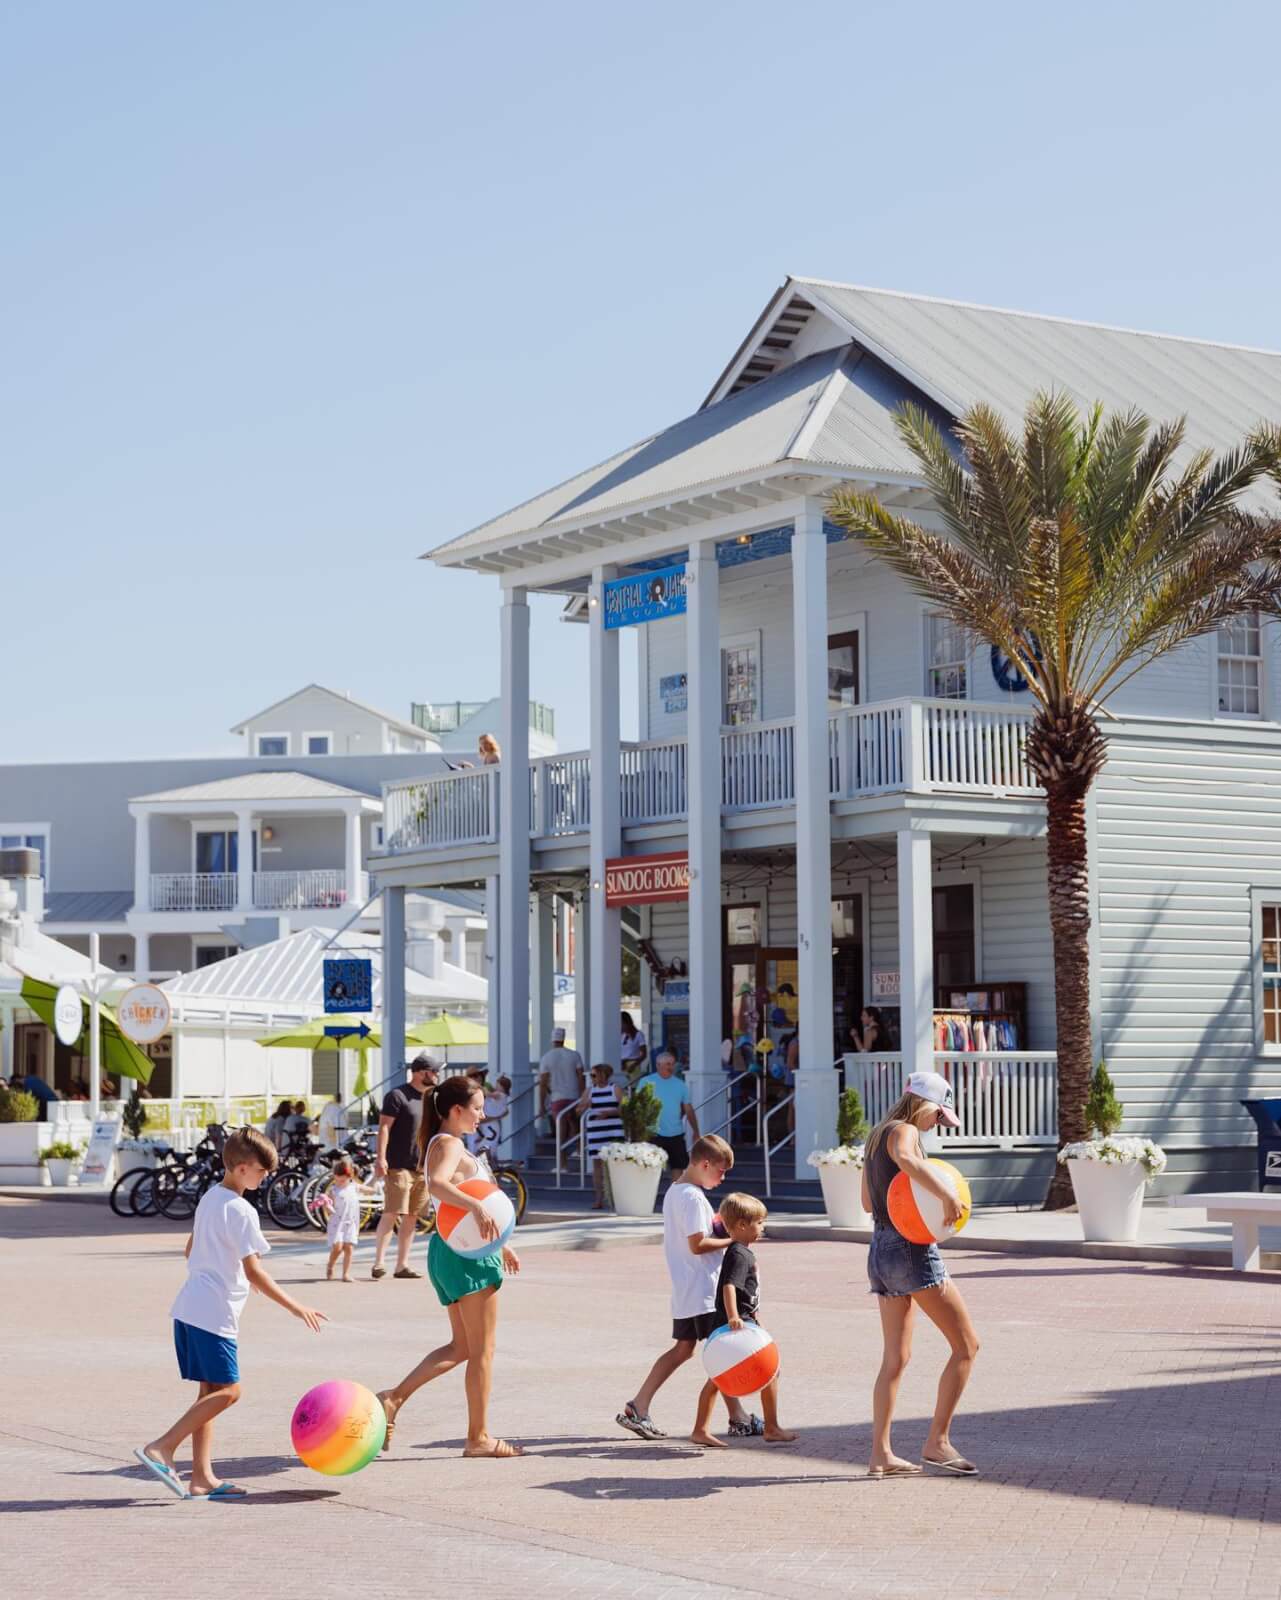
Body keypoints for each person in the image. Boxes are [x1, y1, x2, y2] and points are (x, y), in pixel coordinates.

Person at [135, 1126, 326, 1499]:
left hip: (189, 1307)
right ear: (241, 1168)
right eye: (261, 1170)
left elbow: (192, 1250)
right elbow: (255, 1270)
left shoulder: (210, 1198)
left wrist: (228, 1268)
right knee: (230, 1392)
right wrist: (296, 1306)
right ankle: (162, 1447)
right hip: (213, 1314)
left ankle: (202, 1477)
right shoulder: (241, 1210)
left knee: (209, 1393)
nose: (265, 1177)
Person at [376, 1074, 522, 1459]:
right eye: (477, 1108)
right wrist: (476, 1208)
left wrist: (499, 1242)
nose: (482, 1114)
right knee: (483, 1351)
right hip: (465, 1256)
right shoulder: (450, 1144)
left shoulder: (442, 1142)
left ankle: (393, 1398)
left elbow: (456, 1199)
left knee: (462, 1347)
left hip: (453, 1248)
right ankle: (478, 1438)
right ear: (456, 1110)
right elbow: (439, 1187)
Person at [862, 1070, 980, 1479]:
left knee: (895, 1358)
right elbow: (909, 1159)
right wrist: (946, 1194)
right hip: (909, 1247)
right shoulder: (905, 1130)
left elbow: (865, 1202)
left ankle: (881, 1454)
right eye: (937, 1116)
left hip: (879, 1248)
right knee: (967, 1346)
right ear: (926, 1106)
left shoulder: (875, 1135)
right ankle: (938, 1442)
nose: (935, 1126)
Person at [616, 1134, 759, 1441]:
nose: (722, 1178)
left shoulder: (676, 1191)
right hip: (703, 1288)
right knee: (720, 1351)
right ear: (705, 1164)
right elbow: (698, 1244)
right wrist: (734, 1240)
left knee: (685, 1349)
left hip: (686, 1288)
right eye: (720, 1171)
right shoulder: (693, 1198)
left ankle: (638, 1406)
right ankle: (738, 1416)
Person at [691, 1192, 797, 1447]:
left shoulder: (740, 1251)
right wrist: (734, 1318)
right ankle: (769, 1427)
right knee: (731, 1376)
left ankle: (703, 1429)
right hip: (733, 1325)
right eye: (759, 1223)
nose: (762, 1228)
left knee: (723, 1377)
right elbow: (729, 1286)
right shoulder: (740, 1253)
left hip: (743, 1321)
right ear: (741, 1225)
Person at [371, 1054, 440, 1280]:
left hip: (422, 1166)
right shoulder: (397, 1096)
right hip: (399, 1165)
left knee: (412, 1216)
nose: (437, 1075)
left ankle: (402, 1265)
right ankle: (379, 1262)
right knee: (392, 1211)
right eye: (434, 1071)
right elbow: (384, 1128)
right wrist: (380, 1158)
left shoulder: (432, 1099)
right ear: (421, 1072)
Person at [634, 1051, 699, 1174]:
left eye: (673, 1064)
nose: (671, 1067)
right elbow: (638, 1107)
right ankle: (650, 1193)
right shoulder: (646, 1082)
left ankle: (674, 1193)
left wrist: (696, 1131)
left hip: (676, 1134)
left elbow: (688, 1109)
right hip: (652, 1133)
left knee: (678, 1168)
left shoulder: (680, 1085)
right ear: (658, 1065)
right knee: (651, 1168)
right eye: (668, 1064)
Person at [576, 1063, 625, 1208]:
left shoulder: (614, 1089)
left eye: (594, 1075)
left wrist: (609, 1113)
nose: (592, 1078)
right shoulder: (590, 1091)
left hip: (613, 1130)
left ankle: (616, 1197)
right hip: (596, 1132)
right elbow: (577, 1111)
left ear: (603, 1075)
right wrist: (585, 1105)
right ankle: (599, 1198)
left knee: (615, 1164)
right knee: (597, 1165)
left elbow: (624, 1108)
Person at [538, 1026, 585, 1166]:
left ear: (552, 1040)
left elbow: (543, 1083)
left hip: (557, 1098)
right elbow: (581, 1077)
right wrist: (583, 1096)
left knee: (561, 1132)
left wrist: (541, 1105)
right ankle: (579, 1150)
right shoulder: (574, 1055)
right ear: (563, 1039)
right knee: (576, 1124)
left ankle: (562, 1164)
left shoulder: (546, 1058)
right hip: (574, 1096)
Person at [324, 1157, 360, 1282]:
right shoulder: (333, 1191)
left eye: (343, 1181)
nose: (339, 1183)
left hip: (350, 1223)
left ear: (350, 1177)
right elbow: (328, 1205)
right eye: (337, 1180)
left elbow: (367, 1189)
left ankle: (346, 1273)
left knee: (349, 1247)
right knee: (338, 1247)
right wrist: (327, 1207)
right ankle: (331, 1264)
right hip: (337, 1223)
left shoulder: (353, 1187)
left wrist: (377, 1186)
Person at [619, 1011, 648, 1080]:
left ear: (627, 1022)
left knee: (633, 1087)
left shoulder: (638, 1035)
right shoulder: (620, 1035)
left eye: (622, 1023)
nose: (620, 1026)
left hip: (633, 1066)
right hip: (621, 1065)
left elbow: (644, 1055)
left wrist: (634, 1064)